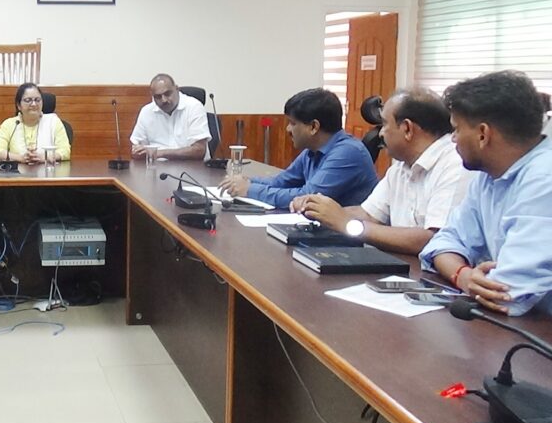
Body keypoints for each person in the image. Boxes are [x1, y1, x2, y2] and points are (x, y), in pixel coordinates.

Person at [420, 71, 552, 316]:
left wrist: (471, 280)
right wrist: (463, 275)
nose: (453, 139)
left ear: (483, 134)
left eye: (456, 129)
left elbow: (507, 295)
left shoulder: (544, 180)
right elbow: (443, 243)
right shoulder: (488, 175)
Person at [290, 87, 472, 255]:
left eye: (385, 124)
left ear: (407, 129)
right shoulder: (401, 166)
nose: (380, 133)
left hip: (434, 274)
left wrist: (348, 224)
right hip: (404, 265)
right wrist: (319, 210)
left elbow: (433, 240)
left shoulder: (455, 164)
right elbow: (369, 214)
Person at [220, 88, 377, 208]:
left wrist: (250, 190)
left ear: (313, 127)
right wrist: (247, 181)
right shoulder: (312, 150)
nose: (288, 129)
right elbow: (282, 181)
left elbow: (307, 197)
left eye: (292, 123)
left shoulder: (348, 153)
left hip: (348, 237)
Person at [129, 74, 209, 161]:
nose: (164, 100)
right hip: (157, 167)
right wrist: (138, 152)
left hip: (192, 167)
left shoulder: (194, 107)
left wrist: (158, 153)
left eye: (167, 94)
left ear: (177, 89)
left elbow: (199, 151)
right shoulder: (146, 111)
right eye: (158, 97)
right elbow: (135, 149)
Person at [0, 83, 71, 163]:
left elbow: (65, 151)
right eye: (28, 100)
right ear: (19, 105)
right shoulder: (10, 124)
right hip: (18, 170)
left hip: (47, 170)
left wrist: (45, 157)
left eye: (37, 100)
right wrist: (20, 158)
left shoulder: (53, 122)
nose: (34, 104)